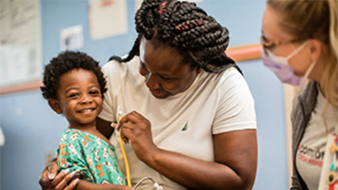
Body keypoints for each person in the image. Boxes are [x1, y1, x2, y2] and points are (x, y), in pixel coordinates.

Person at [39, 0, 258, 189]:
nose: (151, 83)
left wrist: (152, 154)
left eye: (166, 77)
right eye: (144, 67)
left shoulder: (225, 85)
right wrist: (59, 172)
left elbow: (239, 181)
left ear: (198, 67)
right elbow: (87, 140)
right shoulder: (116, 74)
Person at [261, 0, 338, 189]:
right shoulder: (305, 100)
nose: (265, 52)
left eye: (270, 43)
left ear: (312, 49)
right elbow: (299, 183)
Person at [40, 51, 132, 190]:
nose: (86, 100)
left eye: (93, 92)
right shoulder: (73, 140)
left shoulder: (100, 135)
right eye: (74, 95)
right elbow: (71, 183)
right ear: (56, 106)